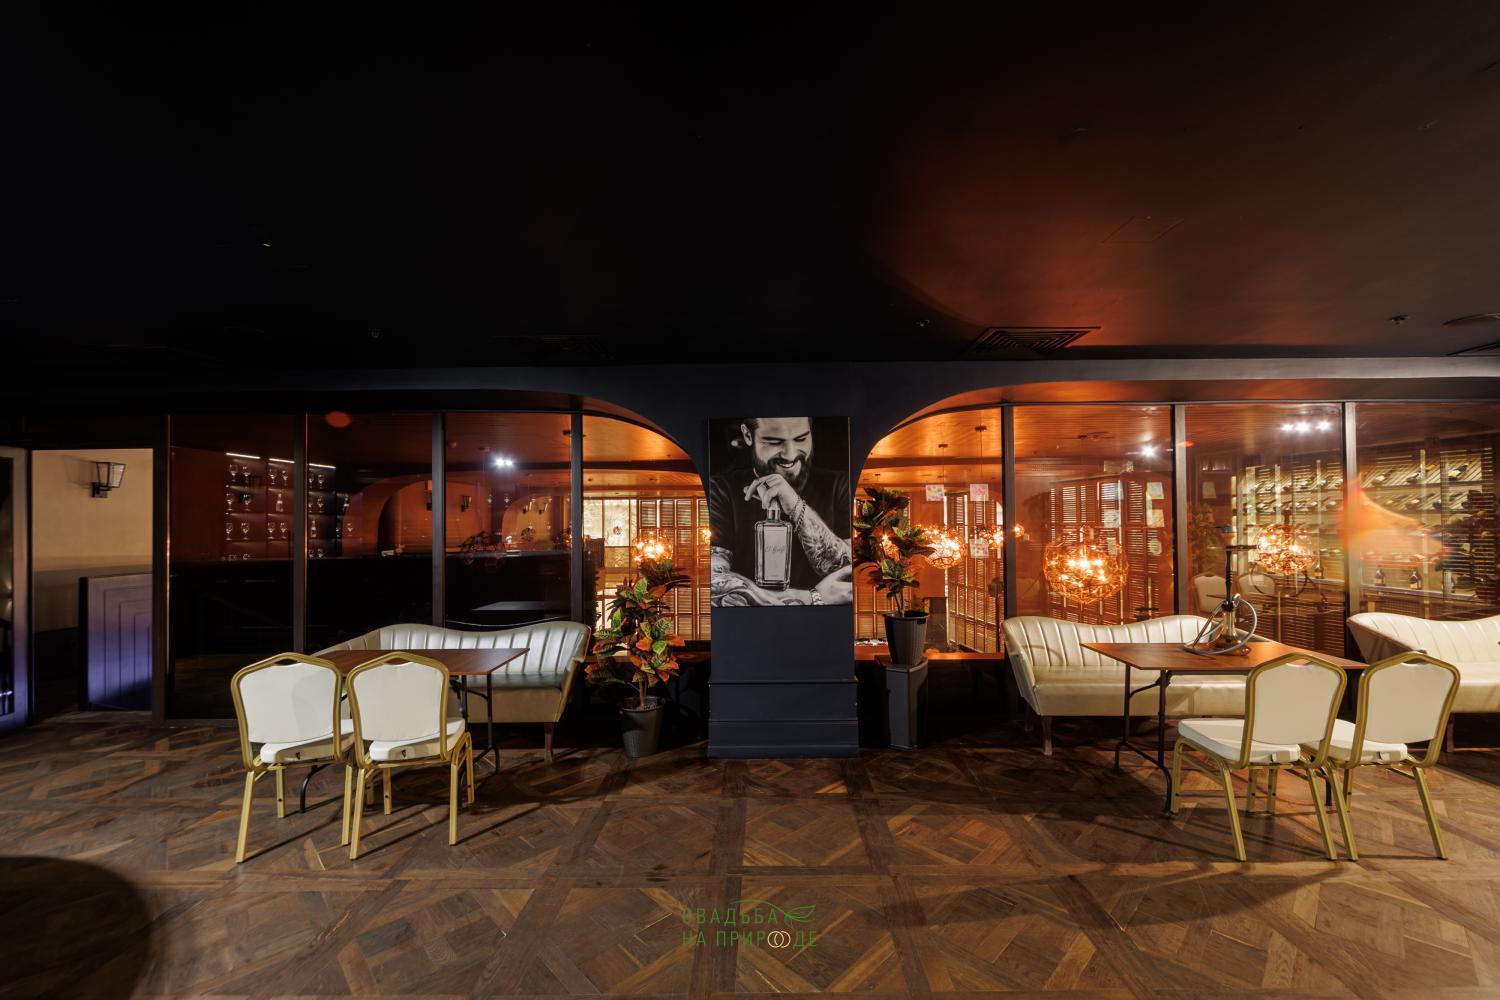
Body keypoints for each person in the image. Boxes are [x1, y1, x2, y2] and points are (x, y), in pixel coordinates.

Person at [709, 416, 852, 606]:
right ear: (748, 435)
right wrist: (812, 598)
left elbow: (848, 575)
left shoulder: (840, 485)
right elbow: (713, 583)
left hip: (828, 620)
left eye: (801, 439)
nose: (790, 455)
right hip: (745, 621)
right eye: (774, 442)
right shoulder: (720, 490)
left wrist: (794, 505)